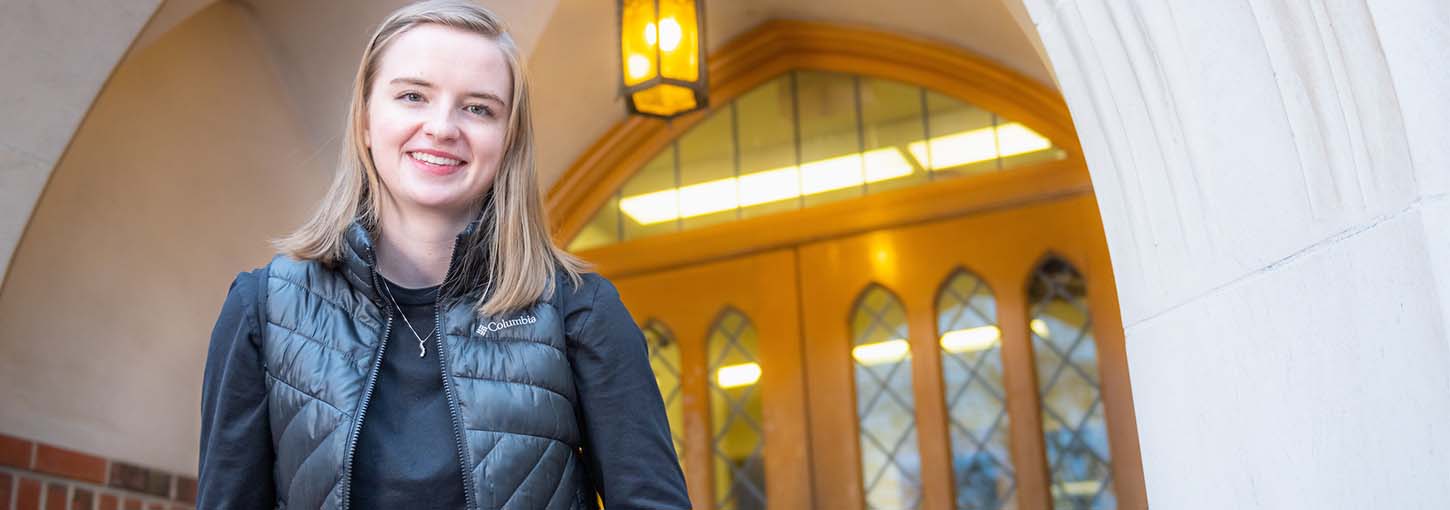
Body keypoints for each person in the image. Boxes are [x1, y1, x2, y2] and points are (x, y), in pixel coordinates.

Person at [196, 1, 691, 508]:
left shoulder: (580, 312)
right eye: (413, 96)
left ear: (508, 140)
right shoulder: (265, 309)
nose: (441, 127)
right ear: (366, 120)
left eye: (478, 108)